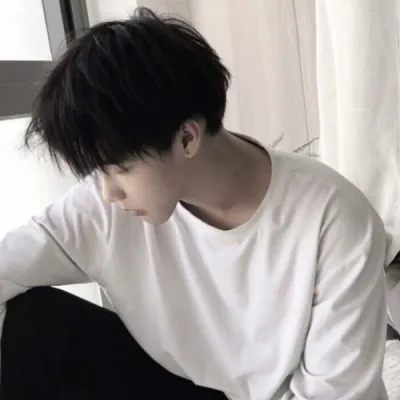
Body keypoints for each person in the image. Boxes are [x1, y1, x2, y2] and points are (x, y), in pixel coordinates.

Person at [0, 7, 388, 400]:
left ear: (187, 138)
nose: (108, 192)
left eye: (120, 169)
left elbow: (335, 394)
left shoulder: (333, 219)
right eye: (99, 171)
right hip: (184, 388)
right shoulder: (104, 208)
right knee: (29, 323)